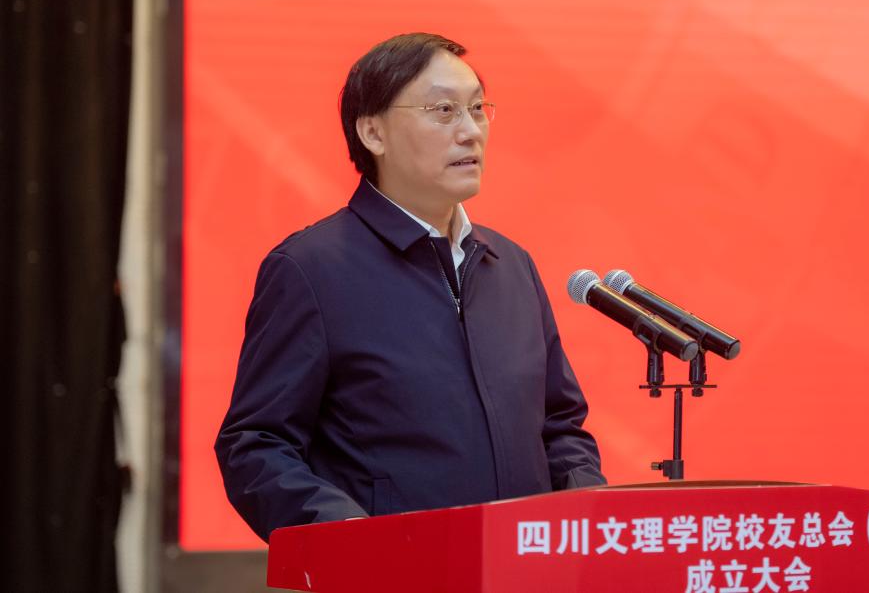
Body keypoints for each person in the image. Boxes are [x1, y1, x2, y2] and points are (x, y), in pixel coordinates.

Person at [215, 32, 605, 542]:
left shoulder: (511, 266)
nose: (470, 131)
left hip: (521, 565)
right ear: (373, 133)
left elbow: (560, 426)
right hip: (390, 569)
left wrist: (584, 515)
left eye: (477, 109)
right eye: (444, 111)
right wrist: (349, 538)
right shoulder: (311, 269)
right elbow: (256, 444)